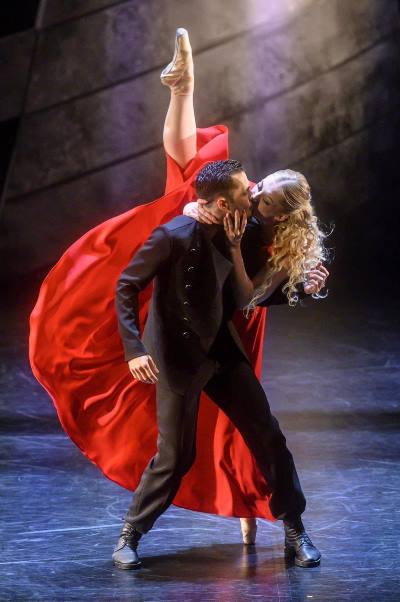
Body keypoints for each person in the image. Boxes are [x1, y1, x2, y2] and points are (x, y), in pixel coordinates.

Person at [28, 27, 327, 571]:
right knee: (176, 455)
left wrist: (298, 288)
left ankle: (295, 530)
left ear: (276, 215)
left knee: (267, 437)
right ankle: (130, 535)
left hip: (222, 347)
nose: (252, 193)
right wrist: (135, 349)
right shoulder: (185, 225)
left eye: (261, 198)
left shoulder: (260, 235)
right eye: (252, 189)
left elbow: (250, 298)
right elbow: (185, 170)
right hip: (177, 354)